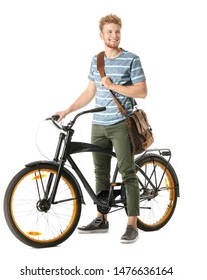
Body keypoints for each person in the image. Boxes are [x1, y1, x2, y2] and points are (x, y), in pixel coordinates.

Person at [55, 14, 147, 243]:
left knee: (127, 173)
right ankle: (101, 218)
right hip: (98, 125)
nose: (114, 35)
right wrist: (67, 110)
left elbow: (142, 92)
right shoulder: (96, 60)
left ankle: (132, 224)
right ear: (101, 35)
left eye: (117, 31)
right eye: (109, 32)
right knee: (100, 173)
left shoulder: (131, 59)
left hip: (121, 124)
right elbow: (89, 92)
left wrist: (114, 85)